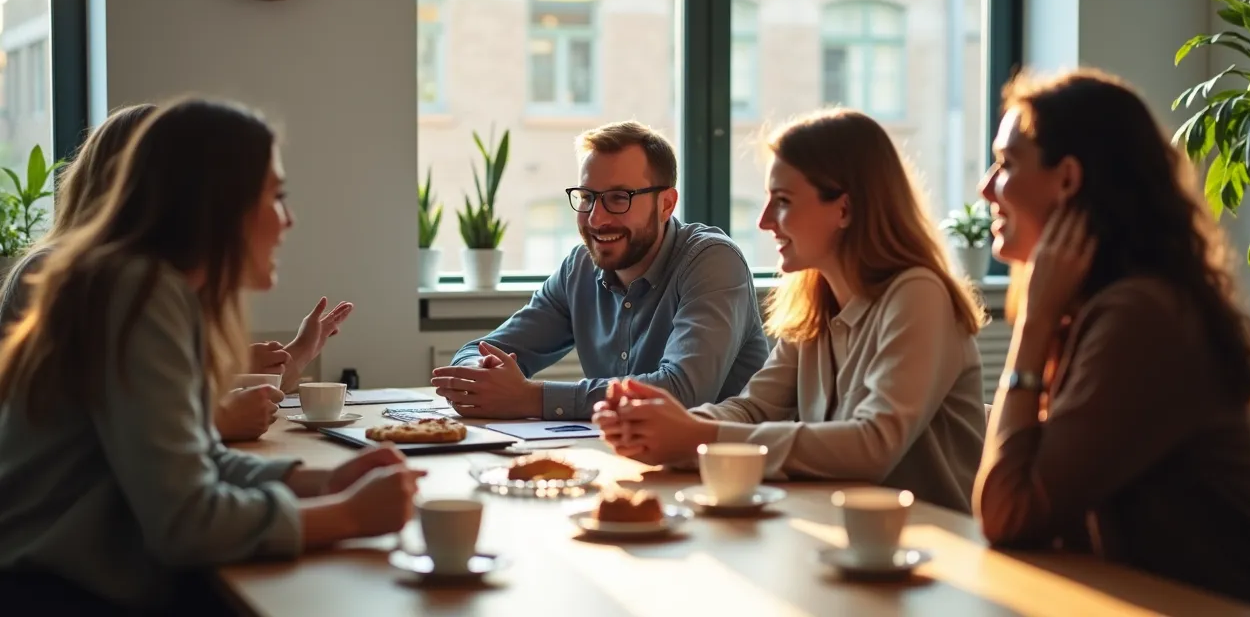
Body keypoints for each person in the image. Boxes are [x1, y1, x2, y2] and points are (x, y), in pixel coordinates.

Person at [0, 99, 421, 614]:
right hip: (60, 595)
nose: (288, 220)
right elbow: (187, 523)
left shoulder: (142, 286)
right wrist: (349, 515)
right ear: (218, 202)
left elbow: (197, 460)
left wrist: (321, 481)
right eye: (277, 195)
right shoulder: (135, 290)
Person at [972, 68, 1250, 614]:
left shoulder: (1139, 316)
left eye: (1007, 163)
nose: (987, 187)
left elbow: (1007, 512)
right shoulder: (1097, 309)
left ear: (1067, 179)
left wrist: (1032, 323)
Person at [594, 109, 987, 512]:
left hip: (936, 549)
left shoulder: (918, 294)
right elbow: (754, 408)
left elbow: (873, 446)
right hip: (838, 531)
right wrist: (661, 427)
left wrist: (695, 436)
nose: (765, 221)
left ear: (845, 209)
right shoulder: (815, 299)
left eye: (782, 201)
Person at [0, 103, 353, 442]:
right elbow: (123, 430)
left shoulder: (154, 285)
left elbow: (158, 404)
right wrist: (217, 419)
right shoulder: (61, 275)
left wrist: (291, 355)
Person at [430, 121, 769, 420]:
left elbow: (682, 391)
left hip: (721, 474)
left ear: (666, 204)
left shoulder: (713, 262)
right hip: (624, 461)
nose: (597, 218)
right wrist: (482, 377)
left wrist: (530, 397)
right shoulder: (578, 269)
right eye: (588, 197)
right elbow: (483, 349)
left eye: (619, 198)